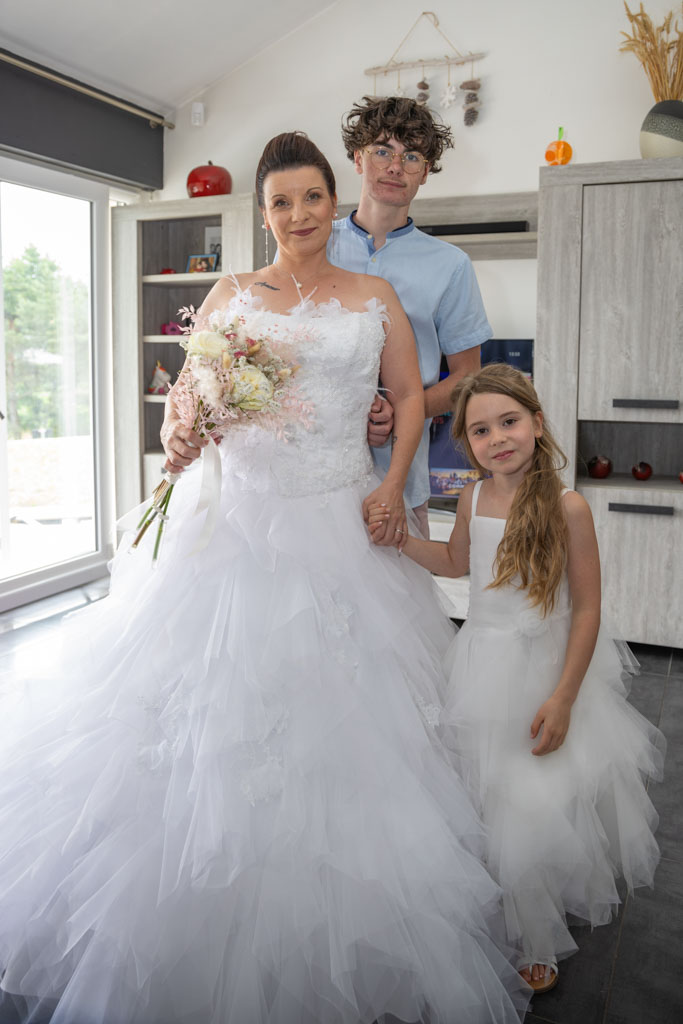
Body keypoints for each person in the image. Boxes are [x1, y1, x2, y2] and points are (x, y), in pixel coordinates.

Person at [0, 134, 530, 1024]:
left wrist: (393, 485)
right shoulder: (231, 293)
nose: (298, 215)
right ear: (263, 212)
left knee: (353, 719)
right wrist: (178, 431)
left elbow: (408, 397)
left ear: (333, 200)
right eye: (280, 202)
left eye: (311, 197)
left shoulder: (374, 297)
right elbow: (188, 394)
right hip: (232, 523)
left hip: (340, 516)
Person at [368, 363, 665, 993]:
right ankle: (499, 910)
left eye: (509, 421)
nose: (497, 438)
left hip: (541, 673)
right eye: (480, 430)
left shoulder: (567, 506)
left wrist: (564, 698)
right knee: (486, 800)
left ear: (536, 422)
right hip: (479, 664)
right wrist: (400, 542)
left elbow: (587, 609)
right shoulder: (472, 498)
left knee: (531, 805)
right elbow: (456, 561)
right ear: (466, 442)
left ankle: (536, 935)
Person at [331, 95, 491, 537]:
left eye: (412, 156)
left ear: (425, 172)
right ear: (358, 157)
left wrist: (404, 409)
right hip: (311, 468)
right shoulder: (313, 244)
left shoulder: (451, 265)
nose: (395, 167)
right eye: (383, 151)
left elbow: (467, 377)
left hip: (401, 478)